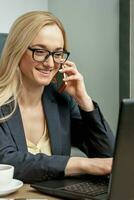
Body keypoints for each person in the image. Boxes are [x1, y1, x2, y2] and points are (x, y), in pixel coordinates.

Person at [0, 11, 115, 183]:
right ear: (17, 51)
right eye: (40, 51)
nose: (51, 63)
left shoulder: (62, 100)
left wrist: (84, 101)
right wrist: (80, 164)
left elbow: (108, 157)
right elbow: (7, 162)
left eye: (58, 54)